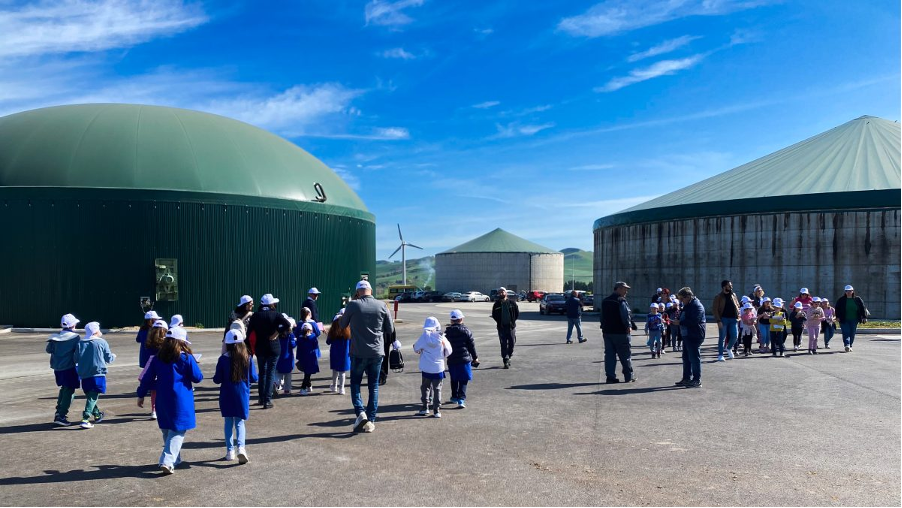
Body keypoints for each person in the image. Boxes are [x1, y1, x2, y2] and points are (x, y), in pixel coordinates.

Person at [138, 327, 203, 475]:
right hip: (181, 400)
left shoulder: (157, 358)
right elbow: (197, 377)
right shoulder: (186, 358)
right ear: (181, 342)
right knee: (178, 430)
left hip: (162, 399)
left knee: (167, 429)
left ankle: (176, 458)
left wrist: (141, 394)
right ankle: (167, 460)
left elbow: (146, 379)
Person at [339, 280, 394, 434]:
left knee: (355, 384)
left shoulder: (353, 305)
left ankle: (360, 412)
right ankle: (371, 420)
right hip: (376, 351)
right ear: (370, 290)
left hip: (358, 352)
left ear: (358, 292)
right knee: (373, 386)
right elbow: (389, 328)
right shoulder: (382, 305)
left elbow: (342, 325)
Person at [213, 329, 258, 464]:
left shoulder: (223, 359)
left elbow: (217, 379)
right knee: (239, 422)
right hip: (242, 394)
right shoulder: (247, 357)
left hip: (226, 394)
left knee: (228, 422)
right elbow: (254, 378)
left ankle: (229, 451)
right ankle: (241, 448)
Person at [247, 294, 291, 409]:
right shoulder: (276, 314)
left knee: (262, 373)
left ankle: (261, 398)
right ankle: (267, 400)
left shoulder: (255, 316)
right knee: (270, 372)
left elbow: (249, 332)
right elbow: (287, 324)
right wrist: (277, 332)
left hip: (260, 347)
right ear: (270, 304)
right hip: (273, 347)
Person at [76, 322, 116, 429]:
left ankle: (97, 415)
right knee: (93, 396)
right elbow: (108, 358)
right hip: (97, 373)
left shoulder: (81, 343)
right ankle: (85, 418)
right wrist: (113, 356)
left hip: (84, 374)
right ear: (95, 331)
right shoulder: (102, 342)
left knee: (91, 395)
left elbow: (75, 358)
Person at [46, 313, 82, 427]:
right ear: (72, 325)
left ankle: (59, 411)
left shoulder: (55, 338)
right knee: (69, 390)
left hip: (57, 368)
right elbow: (78, 353)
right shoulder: (75, 338)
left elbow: (48, 349)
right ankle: (61, 415)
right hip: (70, 368)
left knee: (64, 388)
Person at [413, 317, 452, 418]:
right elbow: (449, 350)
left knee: (425, 387)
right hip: (438, 368)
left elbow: (416, 348)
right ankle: (436, 410)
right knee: (437, 388)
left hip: (426, 367)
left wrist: (420, 350)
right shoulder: (442, 337)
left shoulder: (424, 337)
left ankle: (425, 407)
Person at [600, 281, 636, 384]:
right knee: (625, 355)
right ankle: (629, 377)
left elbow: (602, 316)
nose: (626, 292)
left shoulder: (605, 301)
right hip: (620, 332)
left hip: (607, 332)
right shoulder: (621, 301)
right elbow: (625, 315)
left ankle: (610, 377)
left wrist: (603, 326)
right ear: (618, 288)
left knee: (609, 355)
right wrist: (628, 326)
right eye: (625, 289)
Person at [672, 287, 705, 388]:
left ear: (689, 296)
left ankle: (696, 380)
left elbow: (694, 321)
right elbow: (685, 316)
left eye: (682, 299)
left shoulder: (696, 306)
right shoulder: (688, 305)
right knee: (686, 357)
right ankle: (686, 378)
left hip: (695, 335)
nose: (681, 301)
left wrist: (680, 322)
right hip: (687, 335)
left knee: (694, 358)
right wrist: (678, 319)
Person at [445, 309, 478, 409]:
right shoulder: (466, 331)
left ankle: (454, 396)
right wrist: (475, 357)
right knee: (463, 379)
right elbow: (471, 346)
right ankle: (461, 399)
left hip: (452, 359)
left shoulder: (447, 332)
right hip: (464, 359)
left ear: (451, 320)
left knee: (454, 378)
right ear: (461, 319)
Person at [140, 319, 169, 420]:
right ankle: (162, 409)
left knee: (154, 392)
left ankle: (154, 410)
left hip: (152, 369)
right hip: (163, 370)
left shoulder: (149, 342)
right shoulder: (167, 343)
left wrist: (141, 394)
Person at [491, 287, 519, 369]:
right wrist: (499, 322)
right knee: (503, 344)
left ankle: (509, 356)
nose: (501, 294)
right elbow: (494, 315)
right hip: (501, 327)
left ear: (506, 293)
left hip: (511, 327)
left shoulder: (512, 303)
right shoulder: (496, 304)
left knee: (511, 343)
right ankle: (505, 360)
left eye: (502, 292)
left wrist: (512, 322)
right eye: (499, 292)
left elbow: (516, 313)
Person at [835, 285, 869, 353]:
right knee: (846, 332)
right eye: (847, 291)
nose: (848, 292)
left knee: (852, 333)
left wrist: (864, 317)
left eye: (850, 291)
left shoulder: (857, 299)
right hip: (844, 319)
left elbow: (862, 308)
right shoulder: (841, 300)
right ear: (845, 292)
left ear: (853, 291)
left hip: (854, 319)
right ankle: (847, 345)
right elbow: (837, 309)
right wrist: (837, 317)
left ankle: (850, 345)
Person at [713, 280, 740, 362]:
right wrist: (718, 321)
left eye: (731, 285)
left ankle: (728, 348)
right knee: (722, 337)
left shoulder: (733, 295)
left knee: (735, 336)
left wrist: (738, 314)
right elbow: (715, 310)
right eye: (729, 286)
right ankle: (720, 355)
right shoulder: (718, 297)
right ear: (724, 287)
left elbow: (737, 305)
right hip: (723, 319)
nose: (731, 287)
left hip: (733, 319)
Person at [326, 309, 351, 395]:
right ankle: (342, 388)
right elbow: (352, 343)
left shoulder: (333, 332)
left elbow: (328, 342)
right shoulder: (348, 332)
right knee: (342, 372)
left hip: (334, 353)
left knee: (335, 371)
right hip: (345, 354)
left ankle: (334, 386)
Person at [295, 321, 320, 396]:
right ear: (310, 330)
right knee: (307, 374)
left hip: (302, 357)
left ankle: (309, 385)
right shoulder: (313, 337)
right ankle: (303, 388)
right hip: (311, 357)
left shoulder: (300, 338)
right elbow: (315, 346)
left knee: (307, 372)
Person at [274, 315, 297, 396]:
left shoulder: (277, 334)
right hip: (288, 357)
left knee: (278, 373)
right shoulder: (290, 335)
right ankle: (287, 389)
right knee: (288, 375)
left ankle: (276, 383)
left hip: (279, 357)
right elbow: (293, 345)